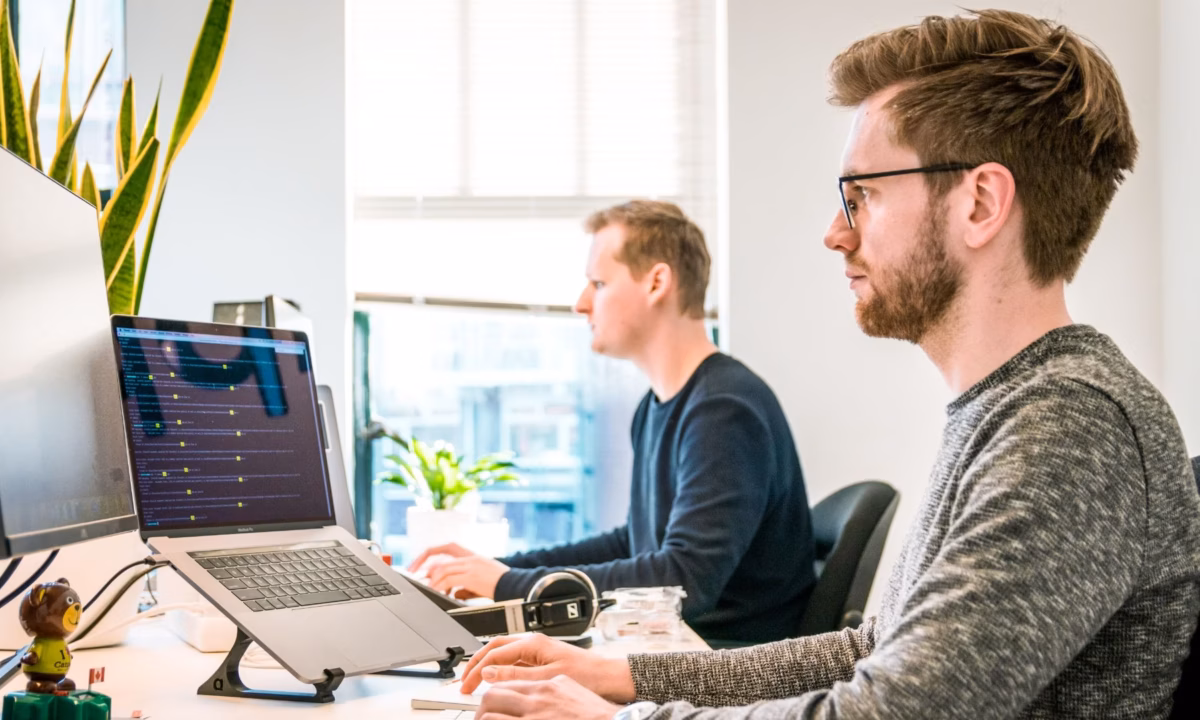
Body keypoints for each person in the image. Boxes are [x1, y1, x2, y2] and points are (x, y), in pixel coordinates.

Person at [454, 10, 1200, 719]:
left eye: (862, 196)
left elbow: (897, 710)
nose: (834, 234)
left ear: (979, 204)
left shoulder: (1069, 427)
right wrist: (619, 674)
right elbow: (873, 653)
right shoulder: (1012, 408)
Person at [410, 200, 817, 645]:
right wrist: (504, 569)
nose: (581, 304)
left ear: (657, 282)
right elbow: (635, 544)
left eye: (599, 283)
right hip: (677, 647)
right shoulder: (658, 406)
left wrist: (508, 586)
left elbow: (683, 581)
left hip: (723, 665)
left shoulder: (724, 411)